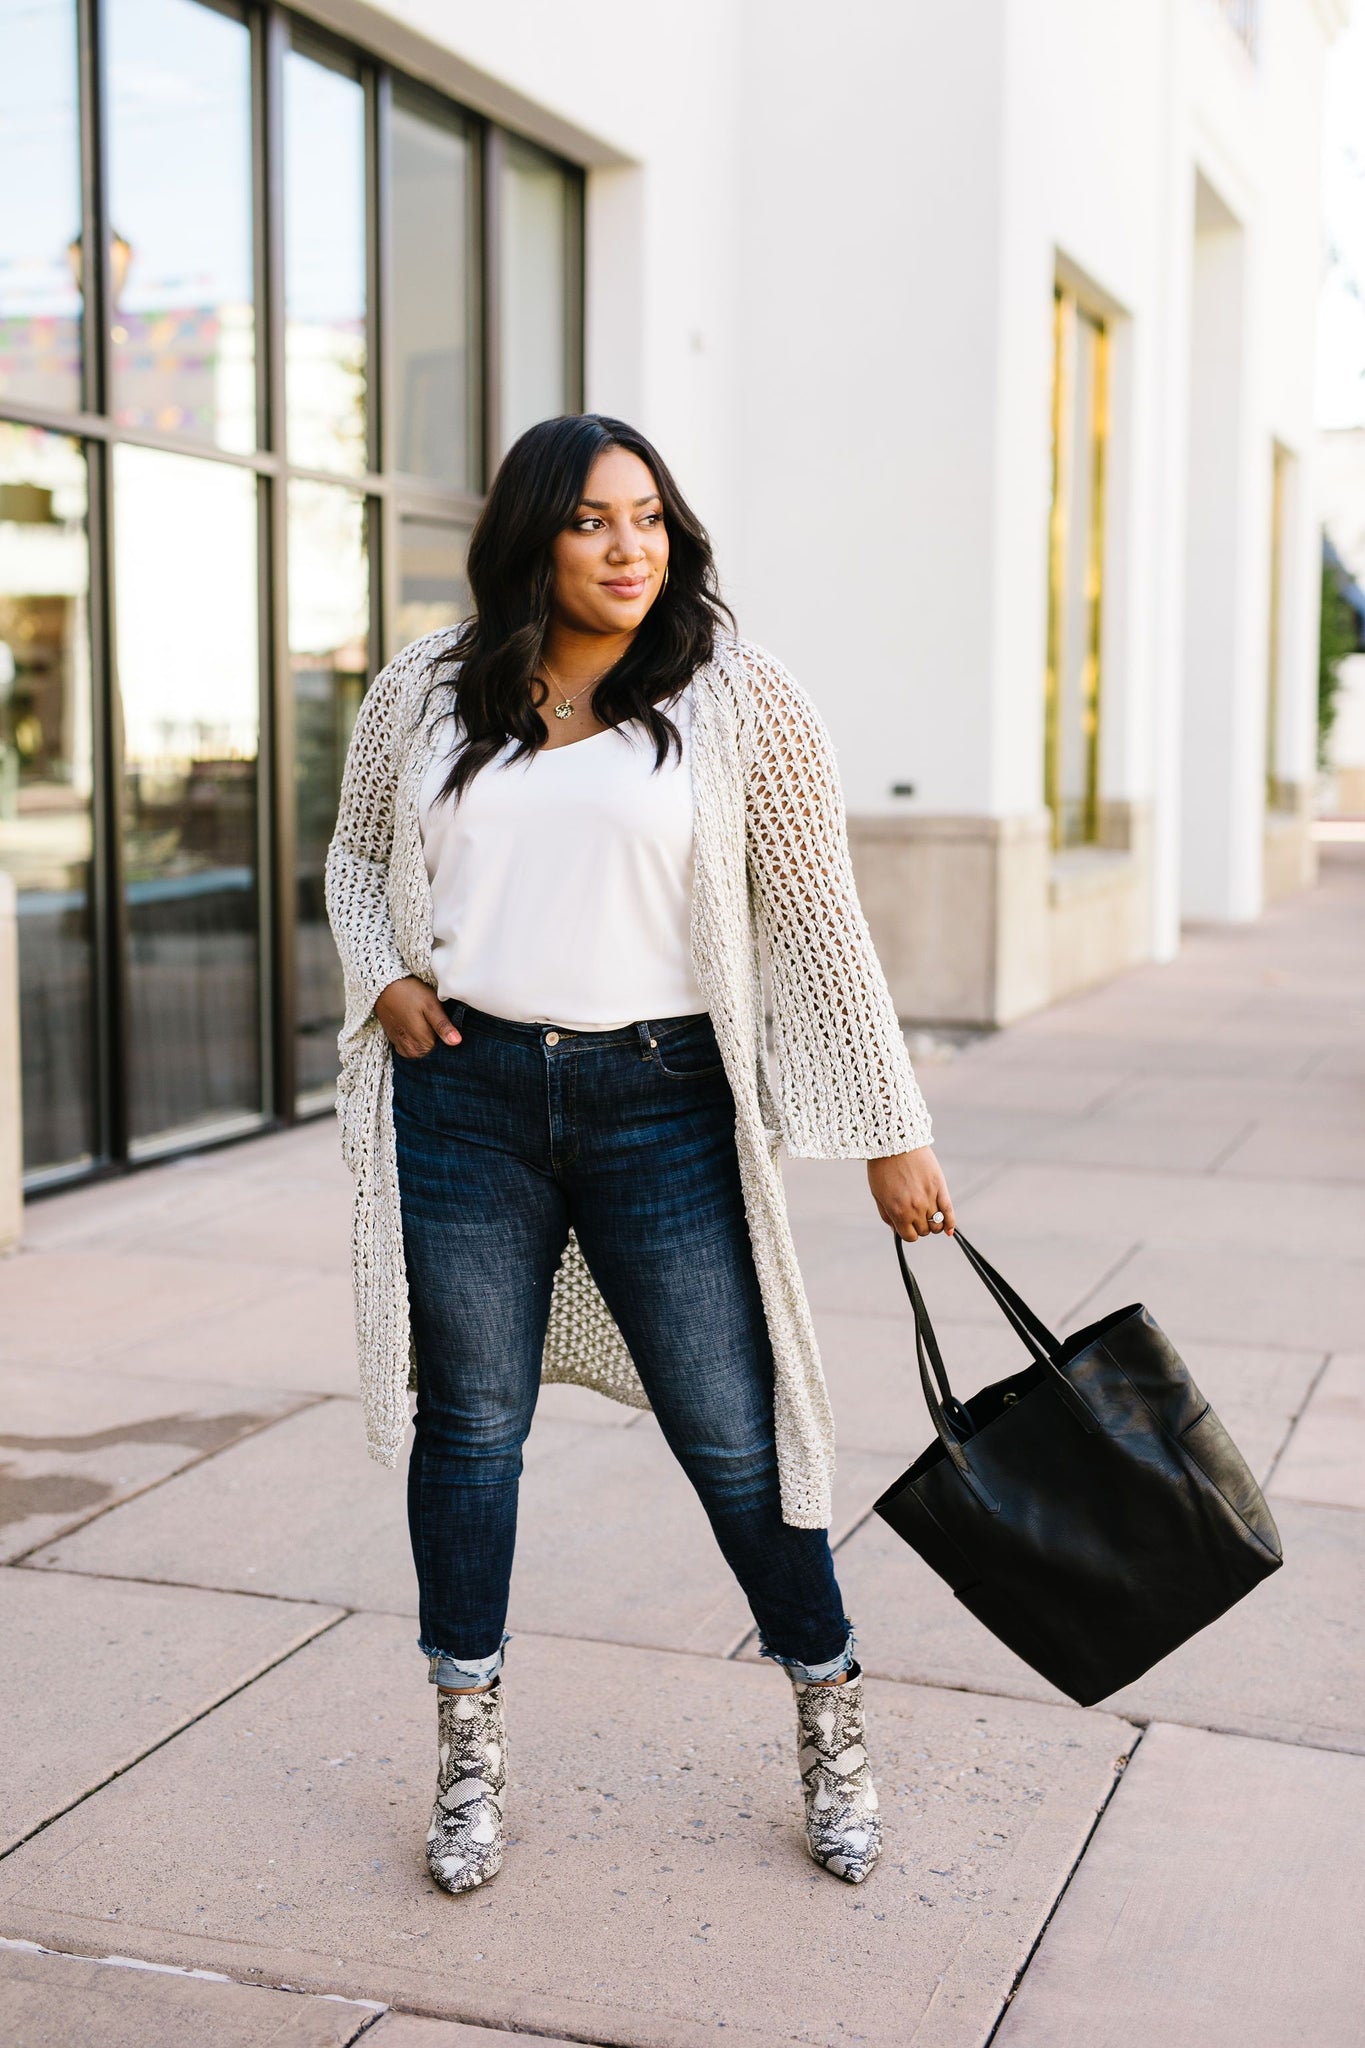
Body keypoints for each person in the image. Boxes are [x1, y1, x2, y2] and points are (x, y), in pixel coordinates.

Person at [326, 413, 954, 1896]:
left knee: (737, 1437)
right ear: (532, 536)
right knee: (470, 1432)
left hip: (662, 1101)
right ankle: (468, 1752)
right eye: (595, 522)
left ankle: (828, 1714)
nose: (629, 550)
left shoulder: (735, 696)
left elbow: (816, 921)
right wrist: (385, 977)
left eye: (651, 521)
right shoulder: (423, 689)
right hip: (465, 1096)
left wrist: (890, 1130)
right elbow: (358, 857)